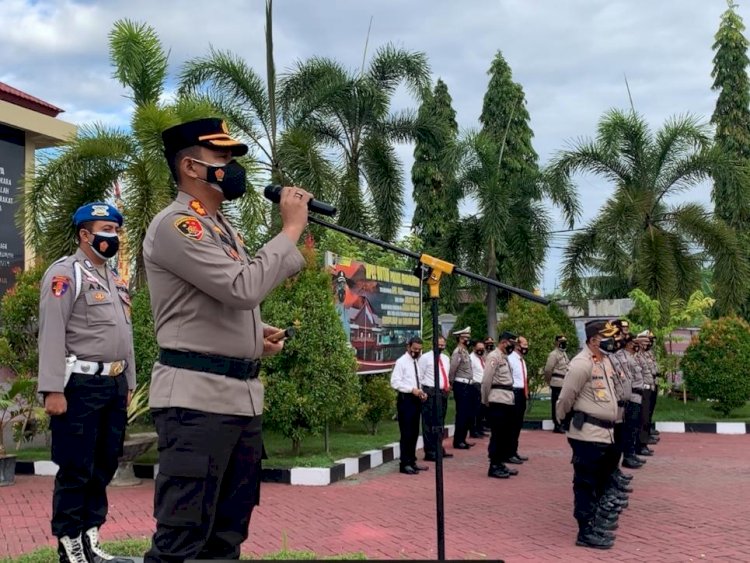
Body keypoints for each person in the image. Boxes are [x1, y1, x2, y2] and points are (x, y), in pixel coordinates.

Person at [142, 118, 312, 562]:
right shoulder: (177, 226)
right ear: (191, 167)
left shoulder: (222, 228)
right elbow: (242, 287)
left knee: (226, 538)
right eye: (222, 157)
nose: (232, 166)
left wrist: (253, 338)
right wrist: (290, 229)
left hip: (238, 401)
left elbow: (215, 305)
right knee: (183, 541)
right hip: (197, 404)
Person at [37, 202, 136, 563]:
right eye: (104, 230)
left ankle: (90, 537)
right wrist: (52, 389)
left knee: (104, 465)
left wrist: (129, 383)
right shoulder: (65, 274)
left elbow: (125, 335)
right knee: (76, 468)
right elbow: (51, 333)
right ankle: (69, 545)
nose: (112, 237)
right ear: (84, 234)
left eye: (115, 230)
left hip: (113, 386)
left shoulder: (115, 279)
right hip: (79, 385)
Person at [556, 320, 621, 550]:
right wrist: (562, 419)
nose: (613, 342)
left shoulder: (603, 362)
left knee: (602, 482)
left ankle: (595, 522)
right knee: (586, 483)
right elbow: (565, 398)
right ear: (594, 340)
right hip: (587, 434)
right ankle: (585, 531)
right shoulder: (581, 364)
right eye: (608, 337)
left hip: (605, 434)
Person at [481, 331, 518, 479]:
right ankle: (494, 465)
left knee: (505, 434)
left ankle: (500, 462)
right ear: (503, 342)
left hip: (507, 399)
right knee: (498, 434)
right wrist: (485, 401)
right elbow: (486, 381)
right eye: (511, 344)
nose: (512, 347)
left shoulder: (504, 357)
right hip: (497, 399)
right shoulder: (494, 356)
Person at [391, 337, 429, 474]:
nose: (417, 352)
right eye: (414, 349)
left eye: (419, 350)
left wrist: (421, 392)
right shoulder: (401, 362)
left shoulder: (416, 362)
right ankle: (405, 463)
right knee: (406, 432)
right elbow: (395, 382)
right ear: (408, 347)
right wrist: (411, 389)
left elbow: (418, 381)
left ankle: (412, 460)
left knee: (414, 432)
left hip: (416, 398)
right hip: (406, 399)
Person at [417, 335, 453, 462]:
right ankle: (430, 451)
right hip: (430, 392)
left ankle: (438, 448)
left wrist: (447, 386)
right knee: (429, 422)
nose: (441, 347)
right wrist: (421, 392)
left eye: (443, 344)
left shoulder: (446, 358)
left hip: (442, 393)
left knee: (440, 422)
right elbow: (420, 376)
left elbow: (445, 375)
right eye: (439, 344)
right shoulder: (425, 358)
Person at [449, 327, 475, 450]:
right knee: (462, 414)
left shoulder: (465, 351)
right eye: (465, 338)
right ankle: (458, 440)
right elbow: (453, 369)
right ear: (460, 338)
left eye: (468, 338)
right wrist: (451, 383)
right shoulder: (458, 352)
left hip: (468, 385)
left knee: (467, 414)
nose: (468, 340)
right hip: (461, 384)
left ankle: (463, 438)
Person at [506, 336, 530, 464]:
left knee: (518, 424)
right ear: (517, 346)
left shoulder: (521, 360)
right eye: (524, 344)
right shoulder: (510, 360)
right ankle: (509, 453)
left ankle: (514, 451)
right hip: (514, 392)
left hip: (521, 393)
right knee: (512, 425)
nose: (526, 347)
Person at [544, 335, 570, 433]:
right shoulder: (553, 354)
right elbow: (548, 369)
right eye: (561, 341)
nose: (563, 343)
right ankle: (557, 425)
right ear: (556, 342)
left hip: (565, 382)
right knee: (556, 405)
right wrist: (549, 381)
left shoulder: (564, 354)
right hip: (557, 382)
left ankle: (563, 423)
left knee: (563, 405)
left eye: (564, 341)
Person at [468, 340, 488, 438]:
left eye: (482, 348)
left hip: (483, 385)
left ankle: (480, 429)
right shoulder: (471, 358)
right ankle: (473, 430)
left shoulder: (481, 358)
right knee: (475, 410)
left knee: (481, 409)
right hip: (475, 385)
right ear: (474, 348)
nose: (481, 350)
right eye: (478, 348)